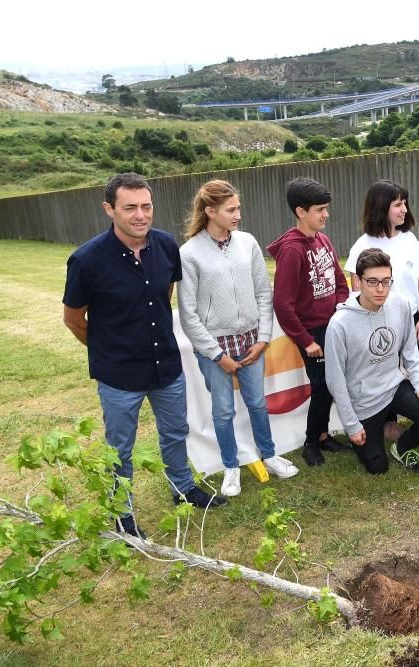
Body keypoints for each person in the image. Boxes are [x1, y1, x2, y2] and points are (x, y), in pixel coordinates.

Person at [63, 173, 226, 539]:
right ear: (110, 209)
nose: (140, 215)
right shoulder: (87, 260)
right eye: (130, 207)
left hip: (167, 367)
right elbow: (73, 320)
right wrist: (109, 348)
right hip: (119, 377)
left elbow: (163, 292)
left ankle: (183, 488)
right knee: (120, 449)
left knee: (175, 432)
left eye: (146, 206)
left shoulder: (167, 246)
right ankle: (122, 514)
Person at [177, 180, 299, 498]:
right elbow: (188, 314)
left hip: (251, 342)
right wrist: (217, 355)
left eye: (238, 208)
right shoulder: (189, 254)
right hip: (215, 347)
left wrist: (262, 339)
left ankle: (269, 454)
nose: (237, 215)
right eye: (231, 210)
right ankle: (231, 466)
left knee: (258, 403)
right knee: (222, 411)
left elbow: (263, 291)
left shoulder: (247, 243)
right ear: (210, 211)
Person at [324, 249, 419, 474]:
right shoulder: (339, 324)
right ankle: (372, 434)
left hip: (394, 386)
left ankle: (402, 447)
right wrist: (352, 425)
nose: (380, 289)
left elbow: (410, 351)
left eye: (386, 281)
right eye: (372, 282)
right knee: (377, 467)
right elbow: (335, 380)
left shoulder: (400, 305)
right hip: (364, 401)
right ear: (358, 281)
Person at [345, 180, 419, 434]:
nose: (404, 209)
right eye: (397, 204)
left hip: (412, 318)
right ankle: (388, 424)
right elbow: (356, 290)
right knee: (383, 375)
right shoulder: (362, 246)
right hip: (378, 323)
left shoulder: (409, 239)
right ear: (381, 207)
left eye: (404, 203)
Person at [267, 177, 350, 467]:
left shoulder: (323, 239)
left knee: (332, 383)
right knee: (322, 387)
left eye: (326, 208)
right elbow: (282, 305)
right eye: (320, 209)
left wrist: (340, 310)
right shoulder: (292, 250)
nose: (326, 214)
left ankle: (324, 435)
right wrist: (307, 341)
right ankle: (311, 443)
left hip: (333, 325)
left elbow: (340, 282)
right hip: (311, 333)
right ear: (301, 212)